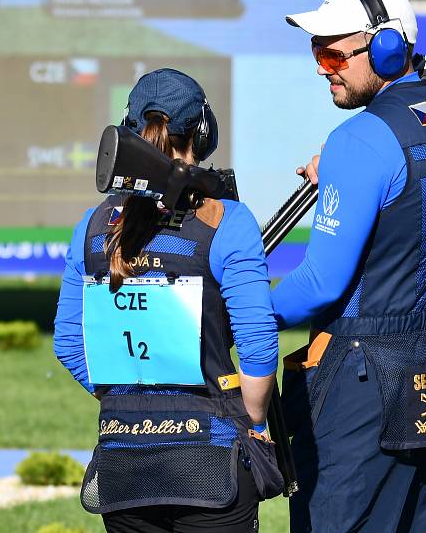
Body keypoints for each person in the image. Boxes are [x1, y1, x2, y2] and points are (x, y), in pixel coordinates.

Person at [272, 0, 426, 532]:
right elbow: (419, 223)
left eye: (334, 52)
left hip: (364, 380)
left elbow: (319, 285)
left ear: (389, 47)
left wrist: (242, 309)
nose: (323, 67)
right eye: (316, 52)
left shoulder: (360, 139)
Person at [54, 68, 281, 533]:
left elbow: (70, 344)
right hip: (213, 458)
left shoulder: (93, 225)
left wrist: (127, 394)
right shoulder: (226, 221)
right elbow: (257, 344)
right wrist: (252, 419)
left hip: (123, 461)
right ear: (203, 130)